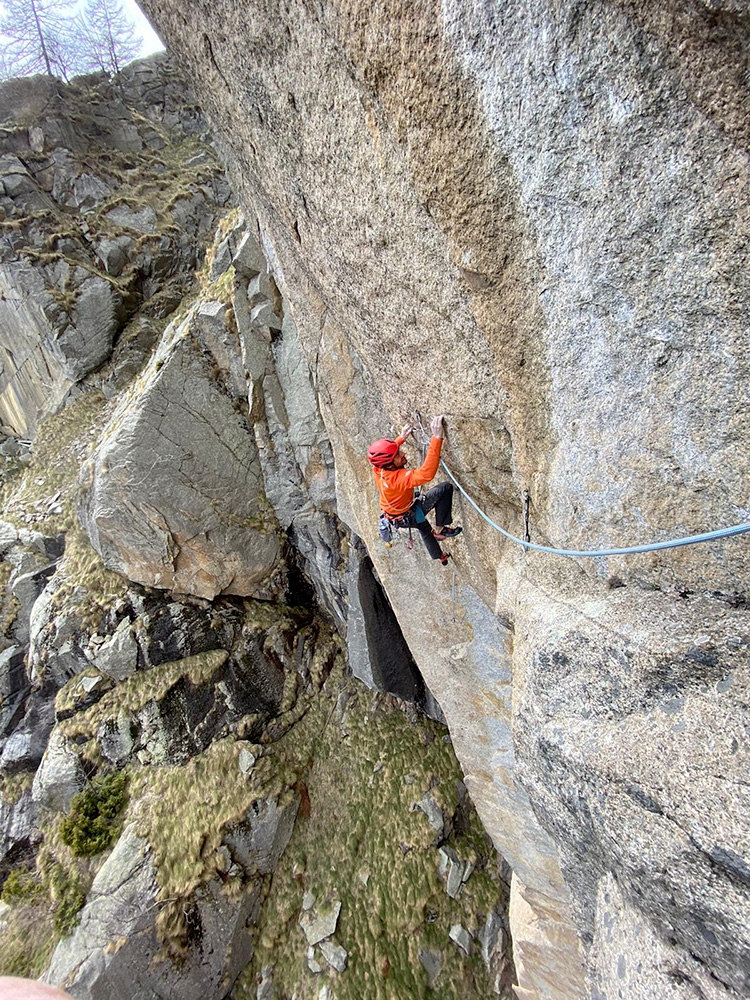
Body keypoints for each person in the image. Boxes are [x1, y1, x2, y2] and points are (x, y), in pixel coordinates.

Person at [367, 415, 462, 565]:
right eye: (398, 454)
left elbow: (387, 456)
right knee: (444, 488)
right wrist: (436, 438)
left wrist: (401, 438)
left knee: (424, 528)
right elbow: (426, 474)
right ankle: (440, 528)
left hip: (398, 517)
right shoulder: (398, 479)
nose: (403, 453)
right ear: (390, 464)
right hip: (408, 515)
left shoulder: (379, 468)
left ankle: (440, 556)